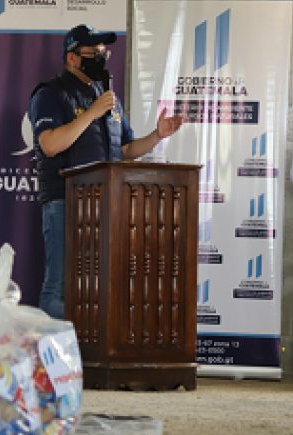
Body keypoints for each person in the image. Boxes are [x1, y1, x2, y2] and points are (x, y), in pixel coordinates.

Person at [28, 24, 184, 320]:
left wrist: (157, 136)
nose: (101, 57)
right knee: (58, 286)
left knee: (97, 286)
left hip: (104, 204)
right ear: (72, 58)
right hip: (64, 201)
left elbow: (124, 150)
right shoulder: (49, 93)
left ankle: (88, 357)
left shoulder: (108, 98)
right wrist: (92, 112)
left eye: (103, 52)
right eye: (93, 52)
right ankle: (54, 361)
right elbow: (49, 145)